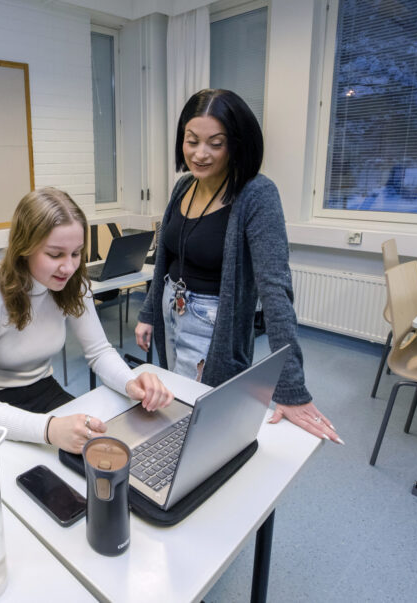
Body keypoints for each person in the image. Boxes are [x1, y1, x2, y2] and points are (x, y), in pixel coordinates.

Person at [134, 88, 342, 444]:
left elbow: (275, 290)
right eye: (192, 140)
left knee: (206, 421)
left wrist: (291, 388)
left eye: (215, 143)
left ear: (236, 143)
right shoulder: (184, 186)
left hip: (214, 324)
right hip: (172, 308)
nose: (200, 154)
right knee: (176, 403)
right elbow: (168, 260)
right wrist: (149, 312)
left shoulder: (256, 194)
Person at [0, 188, 174, 454]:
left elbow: (99, 352)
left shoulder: (73, 282)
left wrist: (131, 383)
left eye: (76, 253)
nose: (69, 267)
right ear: (24, 249)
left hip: (44, 390)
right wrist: (49, 429)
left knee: (102, 455)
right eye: (55, 254)